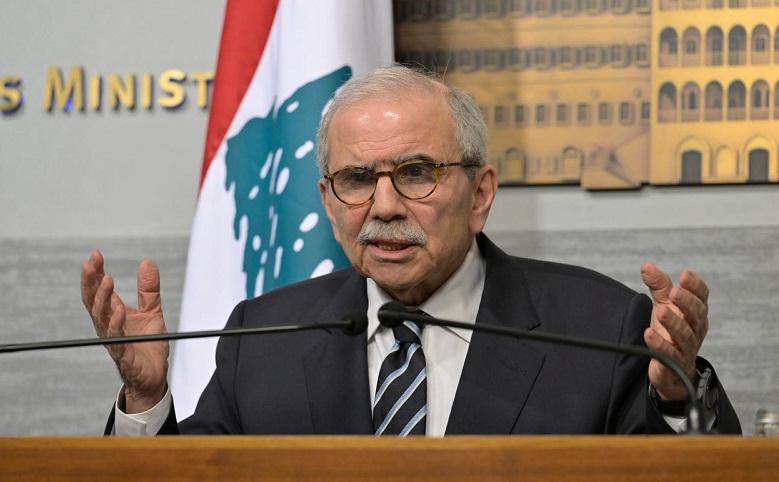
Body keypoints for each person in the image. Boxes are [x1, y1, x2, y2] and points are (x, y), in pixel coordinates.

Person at [81, 65, 741, 436]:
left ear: (480, 192)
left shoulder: (601, 327)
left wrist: (674, 396)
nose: (385, 206)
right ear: (328, 199)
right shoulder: (264, 336)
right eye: (356, 179)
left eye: (416, 172)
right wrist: (146, 400)